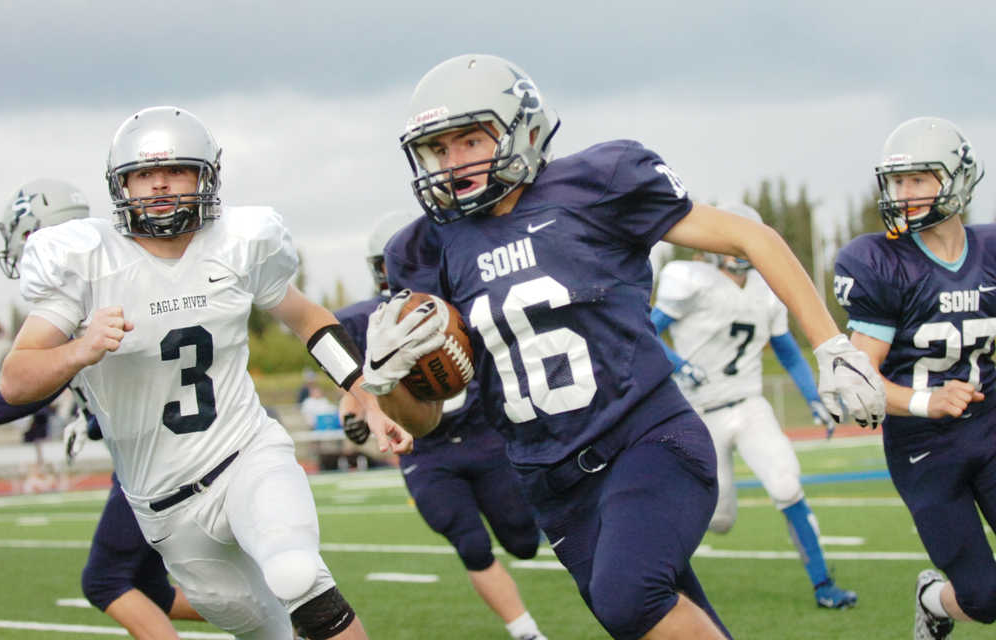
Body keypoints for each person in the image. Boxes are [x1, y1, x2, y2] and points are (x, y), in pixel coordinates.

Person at [359, 54, 886, 640]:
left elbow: (748, 235)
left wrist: (832, 344)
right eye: (439, 149)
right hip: (550, 480)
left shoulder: (596, 184)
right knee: (654, 615)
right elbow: (425, 420)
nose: (452, 163)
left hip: (647, 438)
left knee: (628, 597)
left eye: (469, 140)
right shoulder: (426, 250)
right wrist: (386, 383)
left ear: (522, 129)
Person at [0, 106, 416, 640]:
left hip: (245, 456)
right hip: (164, 507)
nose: (160, 186)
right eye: (144, 174)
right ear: (120, 185)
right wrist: (80, 348)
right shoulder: (87, 262)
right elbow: (16, 379)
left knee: (297, 572)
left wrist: (363, 393)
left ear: (206, 176)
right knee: (270, 629)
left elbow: (308, 320)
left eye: (176, 171)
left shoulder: (238, 243)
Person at [0, 177, 206, 638]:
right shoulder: (120, 268)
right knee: (150, 589)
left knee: (105, 580)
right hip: (175, 443)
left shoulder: (81, 286)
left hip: (158, 457)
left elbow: (19, 394)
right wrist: (89, 417)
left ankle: (280, 616)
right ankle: (286, 620)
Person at [335, 210, 548, 640]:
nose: (400, 275)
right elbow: (353, 385)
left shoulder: (466, 304)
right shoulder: (364, 322)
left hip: (484, 436)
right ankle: (527, 632)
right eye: (389, 266)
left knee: (525, 543)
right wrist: (352, 416)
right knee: (469, 543)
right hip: (428, 453)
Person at [652, 202, 857, 610]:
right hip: (699, 413)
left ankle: (823, 585)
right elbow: (644, 330)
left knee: (786, 484)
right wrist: (678, 363)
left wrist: (814, 396)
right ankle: (656, 578)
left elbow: (787, 351)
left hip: (749, 403)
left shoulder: (766, 289)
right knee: (720, 519)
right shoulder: (689, 279)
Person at [834, 116, 993, 640]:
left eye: (920, 179)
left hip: (991, 429)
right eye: (898, 181)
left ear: (957, 179)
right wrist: (928, 401)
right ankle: (933, 601)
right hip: (926, 448)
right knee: (985, 598)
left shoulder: (991, 252)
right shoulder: (881, 261)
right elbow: (857, 384)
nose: (904, 193)